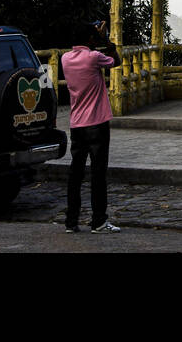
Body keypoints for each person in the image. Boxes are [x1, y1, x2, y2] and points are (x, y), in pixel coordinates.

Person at [62, 21, 121, 234]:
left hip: (76, 124)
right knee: (98, 174)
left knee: (75, 174)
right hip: (97, 123)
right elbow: (116, 61)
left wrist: (93, 39)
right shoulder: (95, 57)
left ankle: (71, 222)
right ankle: (98, 221)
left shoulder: (65, 59)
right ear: (90, 39)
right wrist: (105, 40)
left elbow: (88, 54)